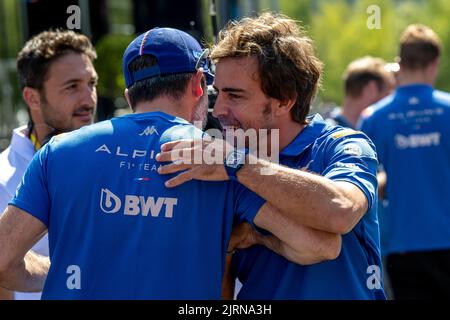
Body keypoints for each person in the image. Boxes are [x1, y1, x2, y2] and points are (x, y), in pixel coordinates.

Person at [0, 27, 339, 299]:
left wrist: (60, 269)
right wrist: (254, 235)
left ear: (131, 96)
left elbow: (3, 260)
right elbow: (318, 246)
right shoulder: (220, 161)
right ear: (197, 84)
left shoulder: (58, 152)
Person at [156, 13, 384, 299]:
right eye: (218, 94)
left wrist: (236, 164)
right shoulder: (218, 167)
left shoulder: (340, 144)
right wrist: (232, 247)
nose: (218, 110)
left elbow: (340, 212)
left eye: (235, 96)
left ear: (285, 100)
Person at [0, 30, 98, 300]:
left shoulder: (114, 161)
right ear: (32, 98)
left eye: (92, 83)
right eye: (72, 87)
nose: (88, 100)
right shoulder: (2, 179)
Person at [359, 24, 450, 299]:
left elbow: (361, 183)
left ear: (399, 64)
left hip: (401, 244)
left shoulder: (373, 118)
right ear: (435, 63)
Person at [325, 56, 395, 129]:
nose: (390, 99)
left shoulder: (324, 134)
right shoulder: (372, 135)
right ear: (371, 89)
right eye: (388, 93)